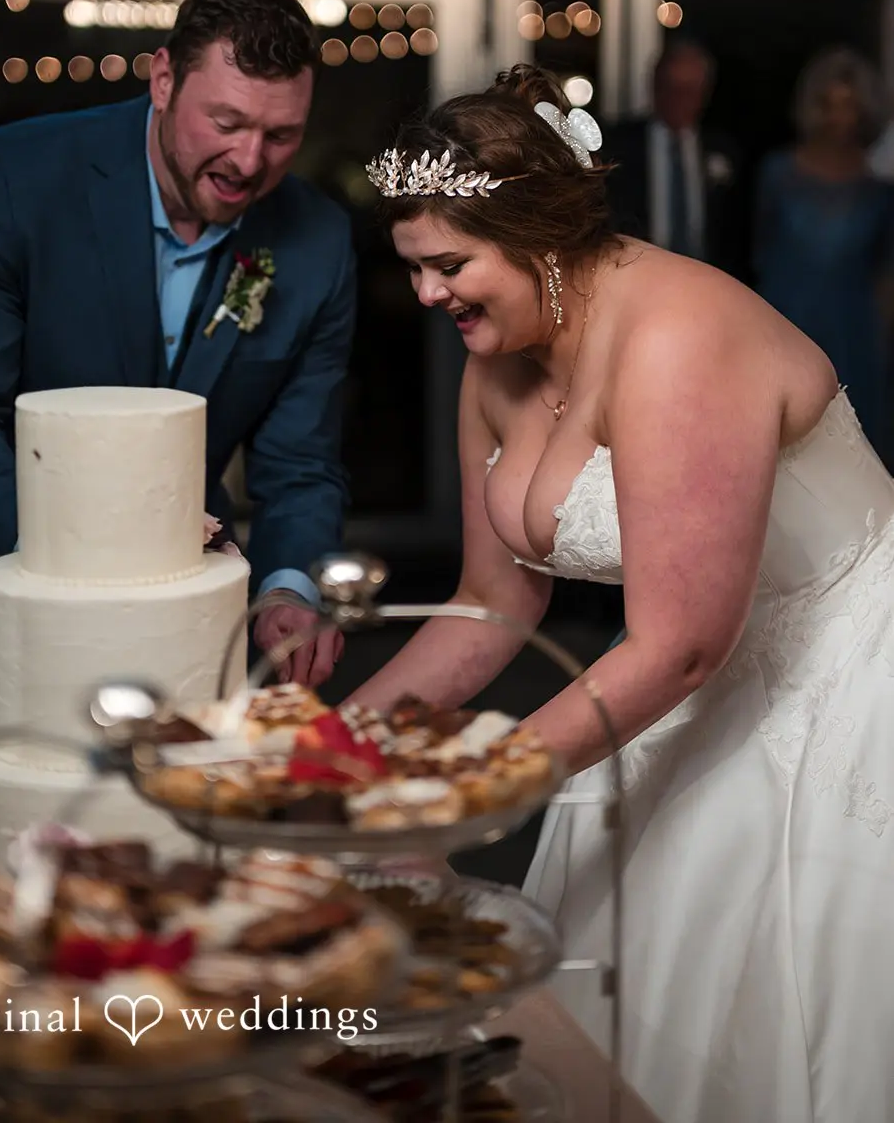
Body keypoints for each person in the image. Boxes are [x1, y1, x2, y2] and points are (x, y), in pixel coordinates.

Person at [353, 63, 894, 1123]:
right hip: (682, 660)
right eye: (411, 267)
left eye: (449, 264)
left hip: (841, 657)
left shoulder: (677, 334)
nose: (424, 296)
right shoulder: (492, 362)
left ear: (538, 238)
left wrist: (465, 789)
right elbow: (492, 603)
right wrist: (326, 751)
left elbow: (681, 645)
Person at [0, 0, 354, 801]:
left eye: (281, 136)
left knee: (145, 890)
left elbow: (299, 460)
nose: (248, 161)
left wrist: (285, 587)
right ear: (162, 79)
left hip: (175, 649)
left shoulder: (314, 240)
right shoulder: (9, 178)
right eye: (226, 123)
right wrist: (106, 556)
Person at [755, 46, 894, 454]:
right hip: (787, 318)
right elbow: (759, 252)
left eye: (849, 106)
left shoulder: (879, 183)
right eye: (829, 105)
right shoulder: (778, 173)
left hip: (855, 331)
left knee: (855, 447)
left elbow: (885, 273)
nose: (839, 118)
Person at [601, 37, 746, 276]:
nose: (678, 99)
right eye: (669, 87)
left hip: (707, 281)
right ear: (654, 87)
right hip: (637, 275)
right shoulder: (618, 146)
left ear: (705, 93)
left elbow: (732, 233)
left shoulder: (723, 149)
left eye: (688, 90)